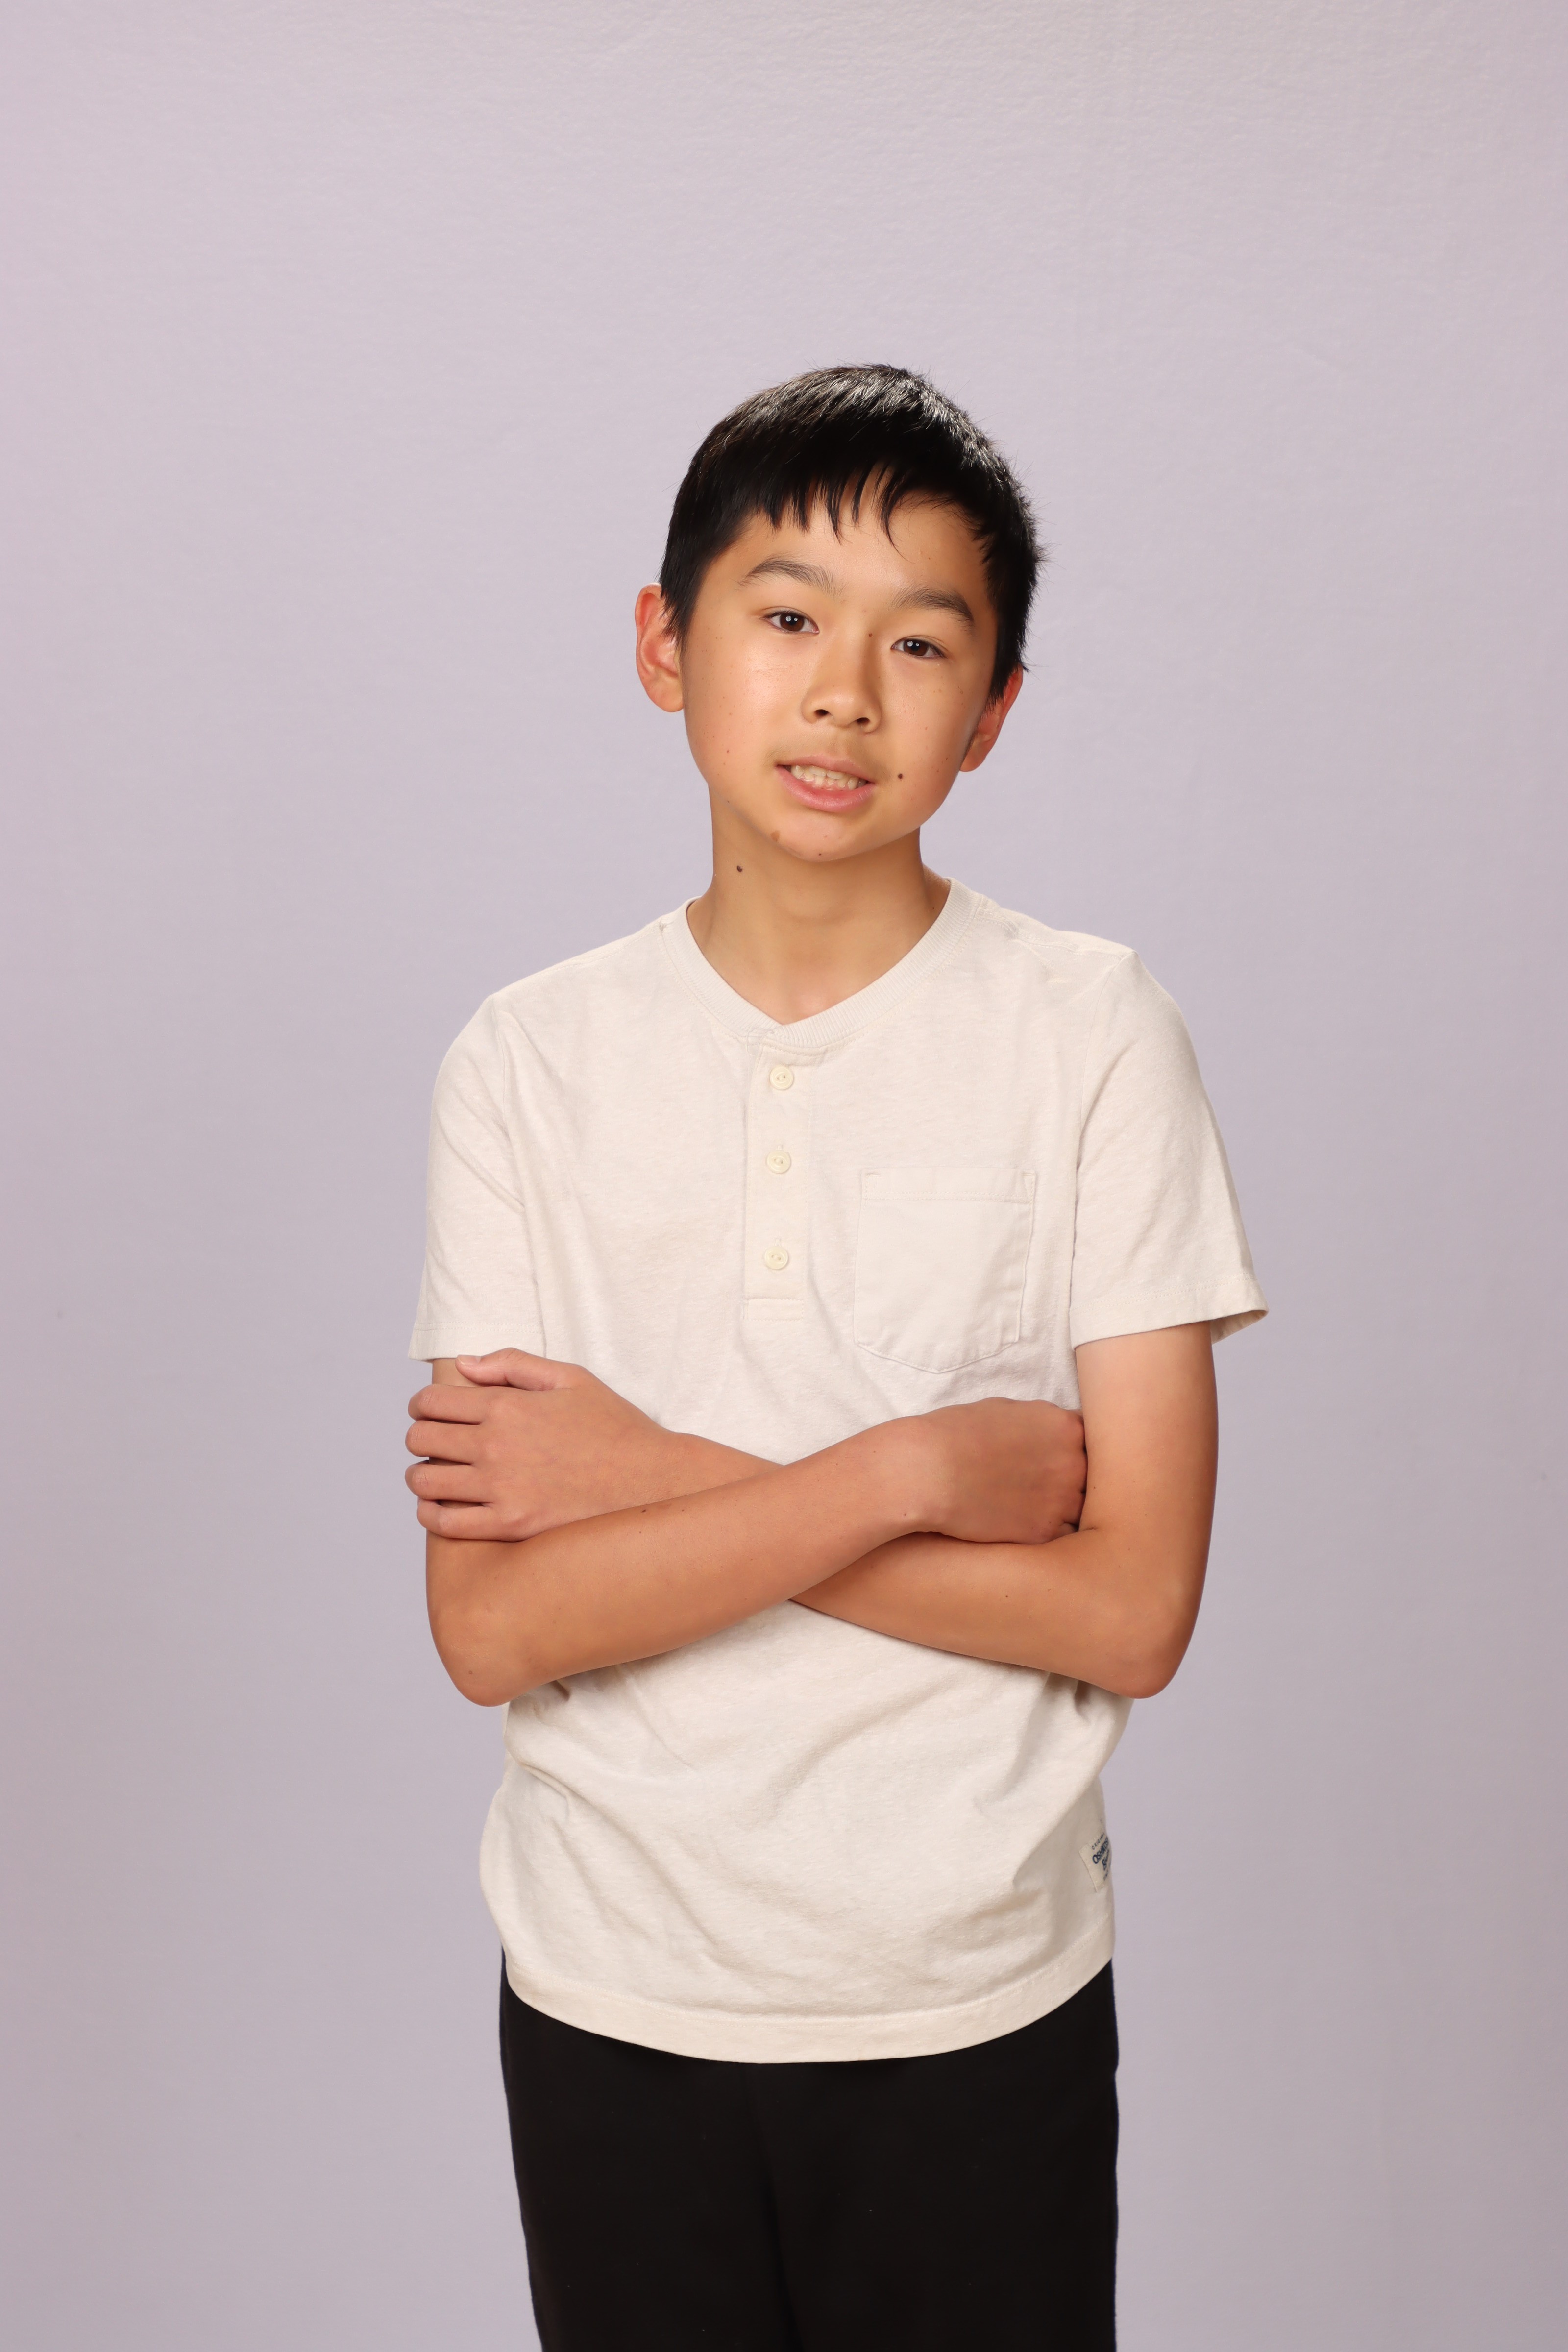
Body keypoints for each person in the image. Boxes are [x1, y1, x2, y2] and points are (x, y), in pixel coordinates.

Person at [404, 363, 1266, 2351]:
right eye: (786, 616)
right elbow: (491, 1630)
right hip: (613, 1979)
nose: (845, 696)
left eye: (920, 645)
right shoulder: (527, 1064)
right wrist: (903, 1474)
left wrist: (643, 1475)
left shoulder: (1089, 1033)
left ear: (995, 710)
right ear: (664, 643)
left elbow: (1129, 1612)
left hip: (976, 1990)